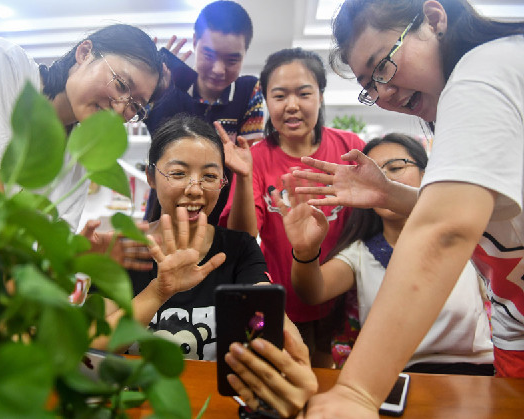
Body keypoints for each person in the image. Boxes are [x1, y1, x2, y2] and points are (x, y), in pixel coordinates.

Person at [288, 1, 524, 417]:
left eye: (382, 67)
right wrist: (389, 194)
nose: (384, 95)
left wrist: (357, 392)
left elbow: (447, 229)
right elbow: (496, 218)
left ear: (434, 19)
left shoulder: (480, 73)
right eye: (370, 86)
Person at [94, 114, 317, 417]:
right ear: (151, 176)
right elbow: (94, 349)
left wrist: (281, 338)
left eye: (210, 176)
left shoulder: (238, 248)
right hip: (136, 406)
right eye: (178, 173)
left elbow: (273, 321)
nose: (195, 189)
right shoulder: (122, 250)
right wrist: (158, 291)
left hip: (214, 405)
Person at [0, 24, 162, 269]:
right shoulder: (2, 62)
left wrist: (75, 257)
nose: (121, 108)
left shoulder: (79, 161)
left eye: (135, 106)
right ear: (84, 53)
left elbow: (43, 258)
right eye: (121, 85)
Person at [280, 133, 494, 375]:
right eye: (371, 173)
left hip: (477, 374)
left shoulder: (466, 231)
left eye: (395, 167)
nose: (381, 180)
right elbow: (312, 291)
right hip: (396, 379)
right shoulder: (361, 254)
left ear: (426, 174)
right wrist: (305, 251)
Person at [220, 47, 365, 367]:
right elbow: (243, 237)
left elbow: (372, 224)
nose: (292, 105)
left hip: (343, 301)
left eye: (304, 93)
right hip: (282, 303)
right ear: (267, 102)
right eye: (280, 95)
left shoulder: (350, 148)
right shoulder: (255, 157)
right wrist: (243, 179)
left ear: (321, 96)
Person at [144, 0, 264, 225]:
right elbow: (132, 117)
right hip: (162, 217)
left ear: (245, 53)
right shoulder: (169, 82)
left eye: (232, 60)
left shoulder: (248, 91)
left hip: (220, 223)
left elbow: (250, 161)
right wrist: (152, 86)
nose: (219, 69)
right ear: (195, 42)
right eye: (209, 55)